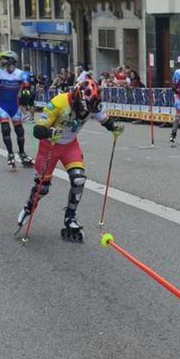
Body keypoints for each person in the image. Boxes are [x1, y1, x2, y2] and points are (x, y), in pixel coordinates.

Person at [17, 79, 124, 242]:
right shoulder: (58, 102)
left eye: (88, 111)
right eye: (83, 109)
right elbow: (38, 130)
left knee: (79, 179)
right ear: (76, 98)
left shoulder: (92, 104)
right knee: (42, 188)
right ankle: (28, 208)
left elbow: (106, 121)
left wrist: (115, 128)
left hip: (70, 146)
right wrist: (50, 132)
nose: (84, 114)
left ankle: (70, 217)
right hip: (49, 147)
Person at [0, 51, 34, 169]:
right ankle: (10, 154)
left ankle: (22, 153)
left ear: (12, 60)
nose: (2, 61)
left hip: (14, 106)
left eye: (5, 59)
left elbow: (27, 90)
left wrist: (26, 94)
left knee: (19, 131)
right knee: (5, 129)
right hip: (2, 105)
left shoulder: (21, 74)